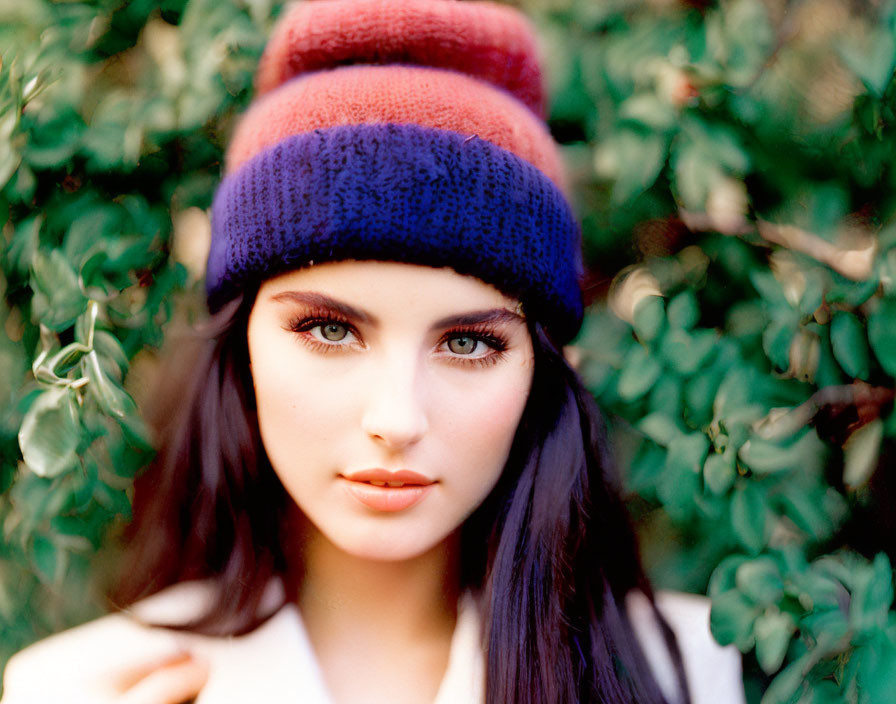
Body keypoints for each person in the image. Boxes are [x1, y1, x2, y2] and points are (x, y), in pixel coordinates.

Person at [0, 1, 746, 702]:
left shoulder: (683, 675)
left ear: (541, 372)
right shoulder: (74, 689)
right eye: (330, 329)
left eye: (468, 342)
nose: (397, 417)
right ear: (242, 344)